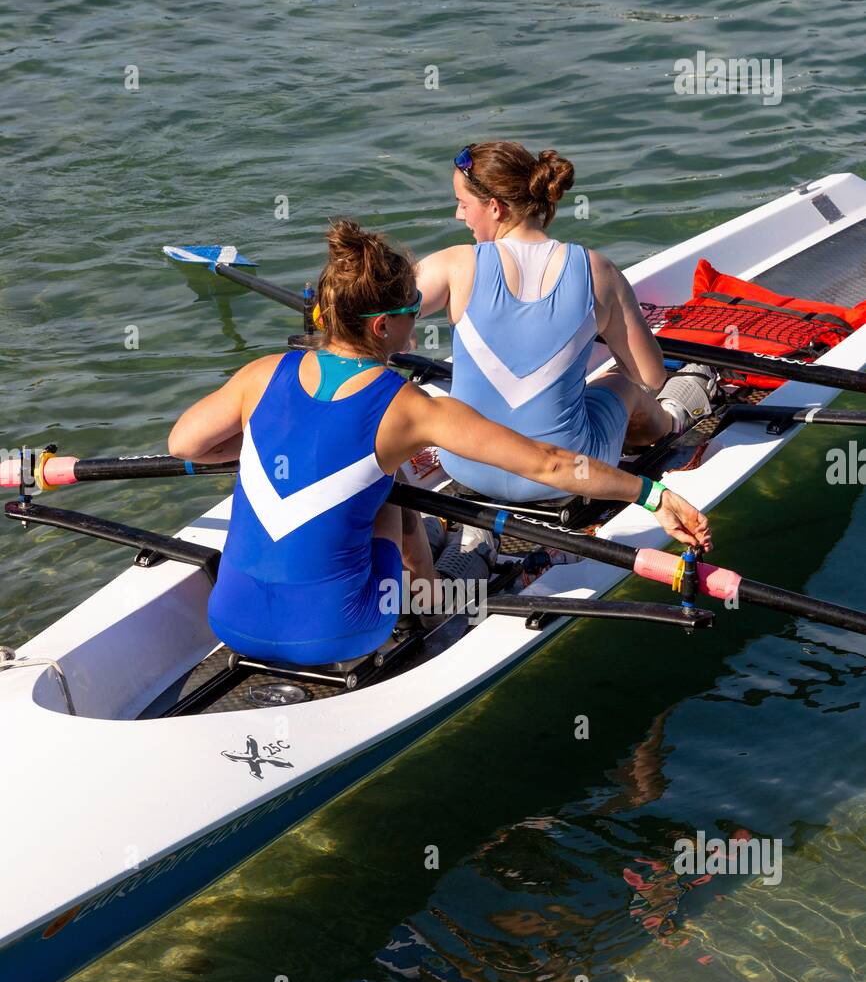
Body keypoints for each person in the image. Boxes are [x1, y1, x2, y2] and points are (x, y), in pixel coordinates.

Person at [168, 220, 710, 669]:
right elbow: (552, 463)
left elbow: (183, 445)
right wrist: (651, 496)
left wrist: (267, 452)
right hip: (340, 632)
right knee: (391, 494)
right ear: (381, 326)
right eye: (412, 313)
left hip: (230, 619)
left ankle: (421, 570)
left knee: (385, 482)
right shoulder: (409, 407)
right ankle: (437, 608)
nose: (417, 325)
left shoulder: (260, 374)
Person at [415, 139, 716, 504]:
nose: (459, 216)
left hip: (466, 465)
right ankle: (673, 419)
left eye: (463, 205)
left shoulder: (452, 265)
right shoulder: (597, 271)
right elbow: (650, 375)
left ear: (494, 208)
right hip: (572, 475)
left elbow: (381, 313)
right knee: (623, 382)